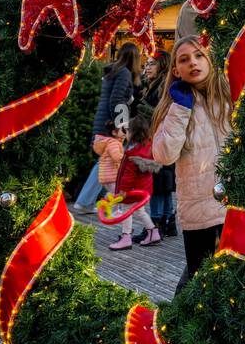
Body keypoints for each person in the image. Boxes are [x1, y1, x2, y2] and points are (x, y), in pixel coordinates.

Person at [151, 36, 233, 289]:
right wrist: (180, 109)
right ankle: (175, 326)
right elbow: (164, 155)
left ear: (210, 61)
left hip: (236, 207)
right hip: (199, 213)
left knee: (233, 283)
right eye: (184, 60)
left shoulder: (229, 98)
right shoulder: (174, 107)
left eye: (199, 56)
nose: (193, 63)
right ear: (176, 71)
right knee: (201, 286)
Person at [73, 41, 143, 213]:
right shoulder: (125, 73)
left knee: (104, 161)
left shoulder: (113, 72)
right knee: (107, 162)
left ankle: (87, 201)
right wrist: (121, 125)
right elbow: (117, 100)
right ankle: (85, 202)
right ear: (134, 58)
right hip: (110, 124)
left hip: (103, 120)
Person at [100, 113, 162, 251]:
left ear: (133, 132)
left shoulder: (132, 153)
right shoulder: (147, 148)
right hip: (144, 188)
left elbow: (128, 176)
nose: (125, 133)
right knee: (140, 211)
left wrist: (123, 191)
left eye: (127, 130)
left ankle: (126, 237)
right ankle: (153, 232)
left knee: (127, 212)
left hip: (132, 190)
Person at [137, 50, 177, 238]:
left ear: (162, 64)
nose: (147, 67)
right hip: (158, 138)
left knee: (157, 182)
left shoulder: (164, 85)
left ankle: (154, 226)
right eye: (147, 64)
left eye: (152, 63)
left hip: (160, 139)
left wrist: (144, 109)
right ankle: (168, 222)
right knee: (163, 183)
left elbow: (165, 113)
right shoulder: (155, 84)